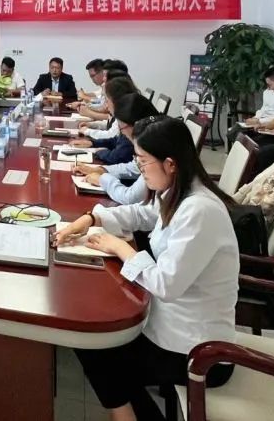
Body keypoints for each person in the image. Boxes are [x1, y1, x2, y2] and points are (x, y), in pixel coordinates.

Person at [55, 116, 237, 420]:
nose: (140, 170)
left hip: (195, 349)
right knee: (95, 342)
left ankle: (127, 415)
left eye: (142, 162)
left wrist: (120, 247)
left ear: (170, 164)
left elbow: (166, 284)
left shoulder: (199, 210)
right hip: (170, 326)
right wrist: (91, 218)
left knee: (92, 344)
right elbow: (141, 214)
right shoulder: (178, 192)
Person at [73, 94, 161, 203]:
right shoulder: (149, 139)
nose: (121, 132)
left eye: (121, 127)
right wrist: (101, 170)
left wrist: (102, 180)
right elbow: (134, 167)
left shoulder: (156, 149)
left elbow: (130, 197)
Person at [73, 94, 158, 167]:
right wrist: (93, 143)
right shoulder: (131, 124)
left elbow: (117, 157)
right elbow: (117, 140)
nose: (121, 131)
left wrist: (99, 152)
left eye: (107, 101)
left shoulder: (144, 141)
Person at [75, 75, 140, 142]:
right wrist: (92, 125)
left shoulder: (126, 113)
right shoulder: (123, 107)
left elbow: (112, 135)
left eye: (107, 100)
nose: (106, 105)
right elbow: (111, 125)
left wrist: (88, 131)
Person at [226, 77, 274, 148]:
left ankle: (249, 151)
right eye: (267, 85)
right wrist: (255, 118)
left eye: (270, 84)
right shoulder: (266, 92)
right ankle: (243, 151)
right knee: (233, 131)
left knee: (242, 135)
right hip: (261, 121)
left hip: (271, 123)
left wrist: (259, 121)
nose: (269, 87)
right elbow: (263, 109)